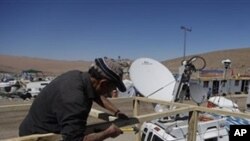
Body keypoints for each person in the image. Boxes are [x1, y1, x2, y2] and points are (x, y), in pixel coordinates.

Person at [19, 57, 129, 141]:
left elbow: (96, 95)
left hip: (33, 127)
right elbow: (74, 140)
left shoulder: (78, 77)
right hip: (37, 137)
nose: (112, 90)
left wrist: (116, 112)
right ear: (103, 83)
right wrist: (108, 133)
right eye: (113, 87)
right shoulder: (75, 101)